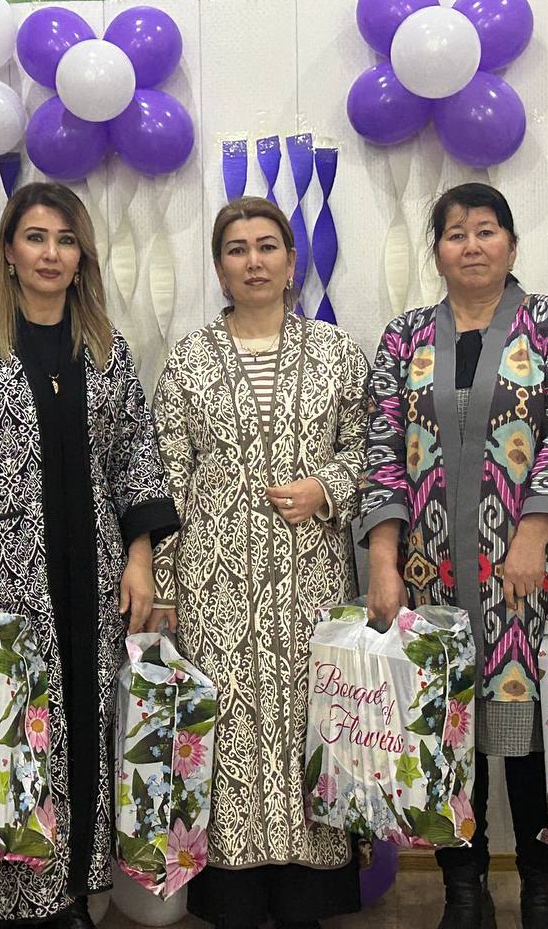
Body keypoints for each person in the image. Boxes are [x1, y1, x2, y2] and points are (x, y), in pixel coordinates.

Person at [0, 182, 179, 929]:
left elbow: (135, 458)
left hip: (94, 573)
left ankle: (71, 896)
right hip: (9, 574)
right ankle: (8, 903)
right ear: (9, 250)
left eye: (66, 241)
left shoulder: (104, 347)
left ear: (82, 257)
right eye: (36, 238)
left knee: (87, 730)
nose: (51, 254)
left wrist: (140, 560)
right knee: (13, 736)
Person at [358, 183, 548, 929]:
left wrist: (530, 539)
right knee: (446, 738)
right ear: (436, 252)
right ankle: (464, 891)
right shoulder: (404, 338)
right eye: (455, 233)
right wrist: (384, 563)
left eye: (486, 230)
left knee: (530, 744)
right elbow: (381, 454)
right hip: (431, 576)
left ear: (512, 245)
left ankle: (543, 891)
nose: (471, 245)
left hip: (530, 577)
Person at [151, 196, 370, 929]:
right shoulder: (189, 361)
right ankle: (233, 898)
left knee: (314, 725)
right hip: (215, 589)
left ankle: (310, 897)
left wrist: (327, 488)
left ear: (291, 261)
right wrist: (165, 586)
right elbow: (167, 477)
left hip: (314, 585)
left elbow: (371, 453)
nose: (254, 261)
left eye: (267, 246)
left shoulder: (338, 354)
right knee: (227, 731)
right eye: (237, 249)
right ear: (220, 268)